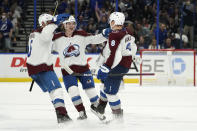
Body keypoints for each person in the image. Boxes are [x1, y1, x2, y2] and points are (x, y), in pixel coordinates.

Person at [52, 15, 110, 120]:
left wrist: (104, 35)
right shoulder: (56, 38)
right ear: (64, 25)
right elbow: (44, 44)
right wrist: (50, 26)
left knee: (91, 91)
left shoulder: (81, 35)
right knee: (73, 91)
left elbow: (94, 39)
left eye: (73, 23)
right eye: (69, 23)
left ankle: (96, 108)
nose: (71, 26)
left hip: (83, 69)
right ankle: (81, 112)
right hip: (67, 71)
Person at [26, 13, 72, 123]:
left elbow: (48, 38)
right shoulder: (42, 33)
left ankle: (61, 114)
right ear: (43, 23)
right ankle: (62, 115)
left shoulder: (35, 34)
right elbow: (46, 34)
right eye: (49, 22)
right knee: (57, 90)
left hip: (34, 68)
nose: (51, 25)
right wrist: (55, 22)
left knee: (53, 91)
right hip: (42, 67)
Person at [93, 12, 138, 119]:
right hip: (125, 65)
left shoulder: (114, 35)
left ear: (113, 21)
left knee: (110, 92)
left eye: (110, 21)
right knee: (105, 85)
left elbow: (115, 54)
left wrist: (106, 67)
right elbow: (133, 46)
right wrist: (133, 56)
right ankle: (100, 108)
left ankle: (118, 118)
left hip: (118, 66)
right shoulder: (127, 31)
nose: (109, 23)